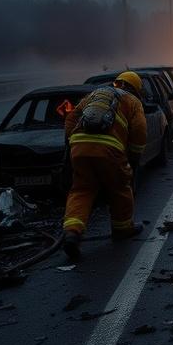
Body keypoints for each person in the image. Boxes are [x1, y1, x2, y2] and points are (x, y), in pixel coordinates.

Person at [61, 70, 147, 260]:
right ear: (135, 89)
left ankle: (72, 233)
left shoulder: (95, 94)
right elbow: (140, 131)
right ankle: (122, 228)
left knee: (81, 190)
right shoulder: (133, 101)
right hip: (110, 150)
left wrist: (71, 143)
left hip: (79, 147)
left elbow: (71, 118)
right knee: (120, 187)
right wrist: (134, 156)